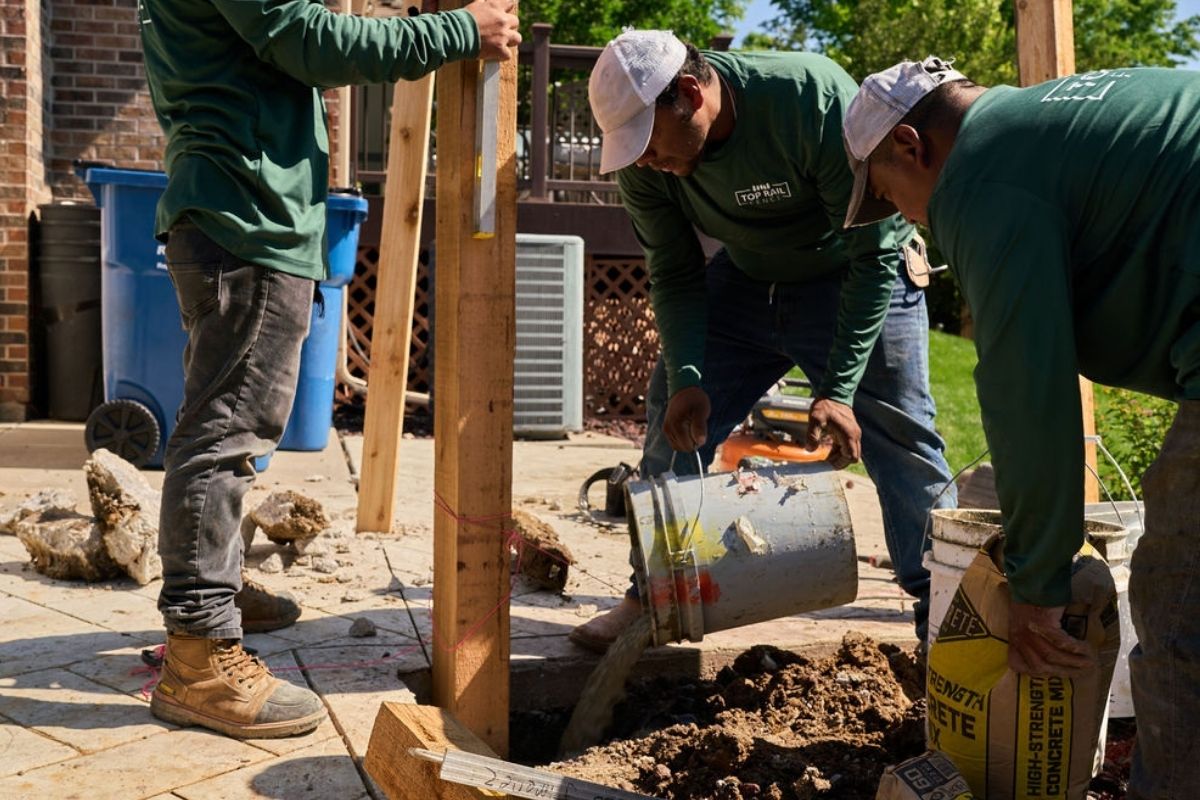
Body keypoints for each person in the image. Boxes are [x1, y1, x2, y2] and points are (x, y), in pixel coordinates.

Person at [138, 0, 520, 738]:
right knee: (224, 435)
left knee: (228, 428)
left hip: (235, 214)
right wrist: (460, 31)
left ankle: (214, 595)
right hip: (245, 220)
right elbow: (306, 39)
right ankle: (199, 655)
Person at [842, 56, 1200, 799]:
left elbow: (1026, 386)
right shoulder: (1048, 123)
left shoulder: (982, 174)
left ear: (911, 145)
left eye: (890, 195)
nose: (911, 219)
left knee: (1180, 606)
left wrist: (1036, 586)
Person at [569, 30, 957, 652]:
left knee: (900, 434)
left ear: (690, 94)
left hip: (852, 271)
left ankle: (946, 618)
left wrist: (837, 390)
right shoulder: (645, 165)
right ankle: (655, 598)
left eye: (647, 143)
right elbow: (672, 270)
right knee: (673, 418)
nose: (643, 160)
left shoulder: (806, 99)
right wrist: (692, 377)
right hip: (748, 276)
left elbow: (872, 252)